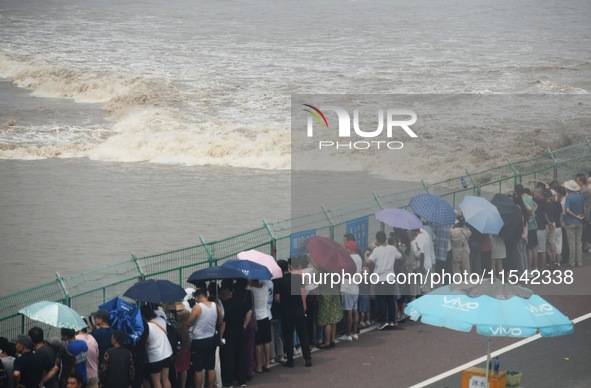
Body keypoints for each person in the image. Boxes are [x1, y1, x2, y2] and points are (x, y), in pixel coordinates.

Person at [273, 259, 312, 368]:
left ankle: (290, 360)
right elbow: (301, 291)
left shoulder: (278, 282)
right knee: (303, 335)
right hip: (299, 310)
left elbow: (277, 298)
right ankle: (307, 358)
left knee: (288, 336)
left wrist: (284, 302)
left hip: (286, 312)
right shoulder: (296, 278)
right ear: (288, 267)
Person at [187, 288, 224, 388]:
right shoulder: (215, 306)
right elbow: (220, 321)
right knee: (211, 367)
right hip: (211, 339)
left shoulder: (197, 307)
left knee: (198, 369)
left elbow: (188, 323)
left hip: (198, 341)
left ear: (198, 297)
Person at [365, 231, 402, 330]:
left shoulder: (377, 250)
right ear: (385, 238)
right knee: (390, 300)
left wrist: (366, 255)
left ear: (377, 240)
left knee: (381, 301)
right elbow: (399, 256)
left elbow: (368, 261)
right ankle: (391, 320)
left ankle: (383, 321)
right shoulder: (392, 248)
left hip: (380, 278)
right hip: (390, 277)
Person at [219, 286, 250, 388]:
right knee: (241, 355)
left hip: (229, 333)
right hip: (240, 331)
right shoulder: (240, 301)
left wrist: (220, 336)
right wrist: (245, 325)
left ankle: (228, 381)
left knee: (229, 357)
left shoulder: (223, 306)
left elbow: (223, 322)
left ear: (223, 294)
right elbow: (249, 311)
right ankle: (242, 380)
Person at [141, 305, 173, 388]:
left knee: (156, 382)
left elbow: (147, 342)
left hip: (155, 357)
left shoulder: (146, 326)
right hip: (167, 353)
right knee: (165, 379)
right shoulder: (161, 320)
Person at [248, 278, 273, 373]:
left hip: (257, 318)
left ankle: (259, 365)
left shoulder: (251, 290)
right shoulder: (265, 287)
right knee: (266, 341)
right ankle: (267, 363)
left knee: (257, 343)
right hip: (266, 316)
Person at [340, 240, 362, 341]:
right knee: (355, 310)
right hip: (355, 287)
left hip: (347, 287)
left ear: (350, 249)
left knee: (348, 312)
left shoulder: (348, 258)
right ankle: (355, 332)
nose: (345, 249)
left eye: (346, 248)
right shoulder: (359, 258)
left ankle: (348, 334)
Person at [563, 179, 585, 267]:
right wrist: (582, 216)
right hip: (580, 221)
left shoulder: (569, 197)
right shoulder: (580, 196)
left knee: (571, 243)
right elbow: (584, 208)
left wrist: (575, 216)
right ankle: (579, 261)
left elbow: (567, 210)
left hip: (570, 222)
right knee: (579, 242)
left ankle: (572, 262)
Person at [75, 321, 99, 388]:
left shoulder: (75, 339)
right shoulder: (93, 339)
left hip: (80, 376)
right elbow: (97, 358)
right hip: (93, 374)